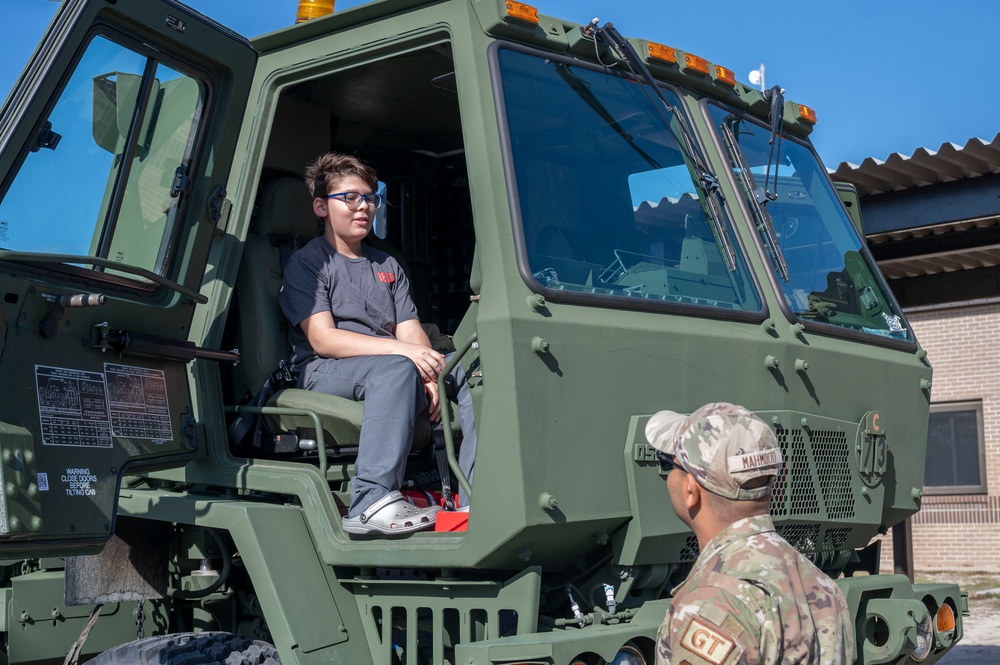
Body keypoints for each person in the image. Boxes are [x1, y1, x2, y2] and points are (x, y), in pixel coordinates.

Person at [278, 152, 476, 536]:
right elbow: (324, 339)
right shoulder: (309, 263)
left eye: (370, 197)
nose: (363, 206)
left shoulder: (388, 264)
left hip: (390, 367)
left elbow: (411, 330)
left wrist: (431, 369)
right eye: (349, 198)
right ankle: (370, 501)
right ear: (320, 206)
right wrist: (409, 356)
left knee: (472, 366)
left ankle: (475, 495)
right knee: (399, 368)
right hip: (325, 370)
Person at [644, 402, 855, 665]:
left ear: (690, 490)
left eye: (669, 464)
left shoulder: (713, 602)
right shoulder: (822, 585)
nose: (668, 478)